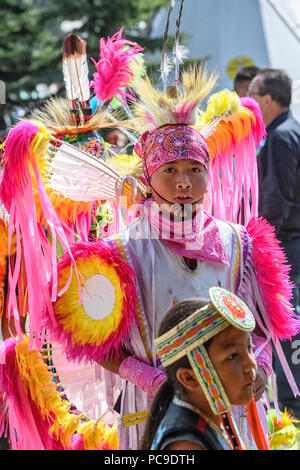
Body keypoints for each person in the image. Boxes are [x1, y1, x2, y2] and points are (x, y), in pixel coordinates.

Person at [140, 288, 259, 451]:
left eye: (249, 347)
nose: (251, 364)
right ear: (189, 378)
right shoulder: (186, 445)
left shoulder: (212, 415)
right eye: (232, 356)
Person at [248, 68, 300, 418]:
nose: (247, 104)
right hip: (293, 241)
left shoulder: (281, 137)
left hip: (287, 246)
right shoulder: (289, 131)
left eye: (252, 96)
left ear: (267, 99)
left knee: (289, 322)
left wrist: (256, 238)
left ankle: (293, 403)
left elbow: (276, 202)